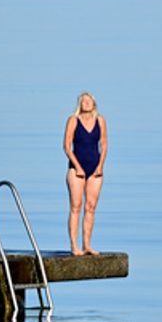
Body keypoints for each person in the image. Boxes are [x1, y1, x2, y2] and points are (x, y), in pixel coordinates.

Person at [64, 92, 108, 256]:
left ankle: (87, 244)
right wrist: (78, 167)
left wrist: (100, 166)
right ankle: (75, 246)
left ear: (94, 104)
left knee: (91, 207)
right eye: (83, 101)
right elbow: (67, 146)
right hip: (76, 169)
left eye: (89, 101)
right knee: (76, 206)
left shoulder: (101, 120)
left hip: (95, 169)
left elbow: (104, 144)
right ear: (79, 104)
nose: (86, 103)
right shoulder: (73, 120)